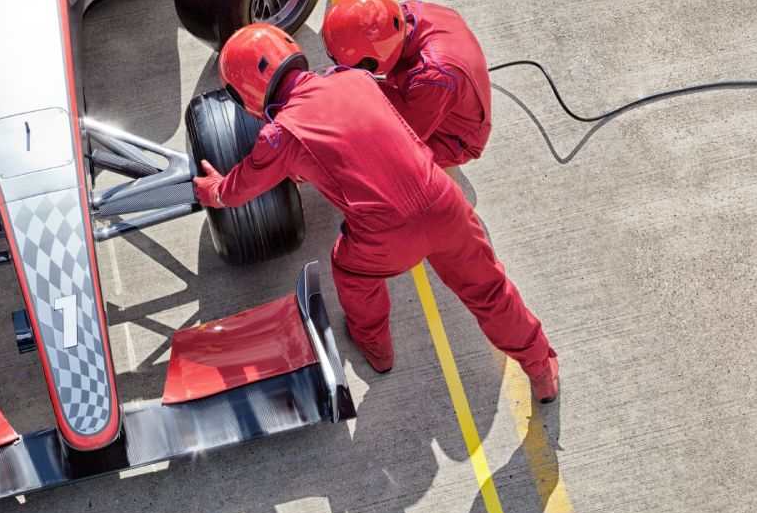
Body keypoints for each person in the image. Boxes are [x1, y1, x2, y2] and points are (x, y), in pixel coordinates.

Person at [193, 24, 558, 400]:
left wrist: (214, 191)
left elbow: (240, 190)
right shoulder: (355, 79)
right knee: (490, 290)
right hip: (444, 202)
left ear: (244, 93)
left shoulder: (280, 135)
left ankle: (377, 350)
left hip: (387, 236)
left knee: (350, 271)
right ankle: (541, 367)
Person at [323, 0, 492, 168]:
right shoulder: (407, 13)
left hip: (452, 141)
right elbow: (366, 11)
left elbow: (407, 139)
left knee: (367, 156)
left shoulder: (432, 78)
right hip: (437, 97)